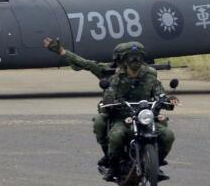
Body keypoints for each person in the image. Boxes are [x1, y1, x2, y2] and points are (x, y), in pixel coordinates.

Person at [44, 37, 158, 169]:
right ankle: (108, 155)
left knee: (164, 130)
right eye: (128, 57)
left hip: (143, 113)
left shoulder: (148, 73)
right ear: (119, 59)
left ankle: (156, 160)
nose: (134, 61)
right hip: (117, 113)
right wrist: (62, 51)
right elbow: (84, 63)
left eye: (137, 57)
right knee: (100, 122)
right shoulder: (107, 71)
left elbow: (157, 89)